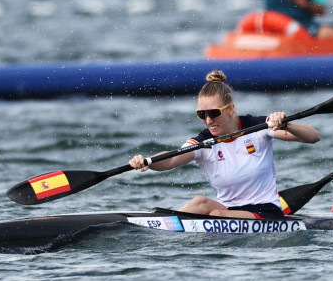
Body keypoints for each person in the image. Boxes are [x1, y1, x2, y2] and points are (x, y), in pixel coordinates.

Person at [129, 70, 320, 219]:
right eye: (202, 114)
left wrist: (287, 124)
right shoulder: (204, 142)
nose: (208, 120)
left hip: (266, 214)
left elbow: (313, 137)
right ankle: (160, 226)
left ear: (230, 109)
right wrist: (147, 161)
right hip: (226, 212)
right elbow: (171, 160)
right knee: (200, 202)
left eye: (214, 113)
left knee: (216, 214)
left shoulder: (259, 127)